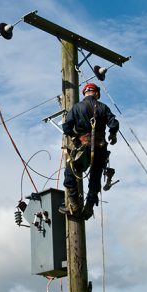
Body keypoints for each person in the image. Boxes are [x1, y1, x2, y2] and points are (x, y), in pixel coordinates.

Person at [59, 82, 119, 220]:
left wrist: (75, 137)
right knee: (95, 178)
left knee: (70, 172)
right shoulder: (103, 107)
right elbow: (113, 123)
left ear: (85, 93)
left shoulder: (77, 108)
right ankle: (89, 207)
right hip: (100, 149)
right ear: (97, 93)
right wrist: (112, 135)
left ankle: (74, 205)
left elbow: (67, 127)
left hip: (85, 148)